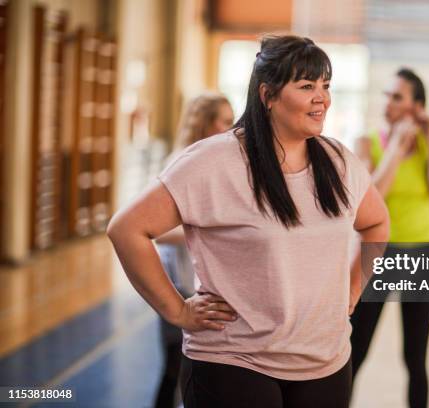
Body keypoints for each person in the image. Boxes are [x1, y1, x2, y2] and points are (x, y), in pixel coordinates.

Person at [106, 34, 389, 408]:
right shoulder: (214, 160)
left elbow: (377, 224)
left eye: (325, 85)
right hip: (233, 361)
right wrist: (177, 310)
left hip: (325, 362)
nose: (322, 97)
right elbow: (127, 229)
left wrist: (351, 293)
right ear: (268, 96)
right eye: (307, 86)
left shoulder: (338, 160)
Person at [350, 68, 429, 408]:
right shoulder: (366, 142)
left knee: (415, 359)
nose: (388, 102)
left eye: (397, 97)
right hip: (377, 254)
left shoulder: (425, 146)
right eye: (387, 95)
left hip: (421, 254)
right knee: (356, 353)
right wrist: (395, 145)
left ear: (415, 107)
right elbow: (372, 196)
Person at [153, 92, 234, 408]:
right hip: (180, 285)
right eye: (225, 122)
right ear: (206, 124)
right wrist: (209, 231)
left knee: (198, 373)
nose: (231, 129)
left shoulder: (219, 164)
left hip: (204, 286)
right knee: (175, 371)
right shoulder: (179, 164)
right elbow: (158, 233)